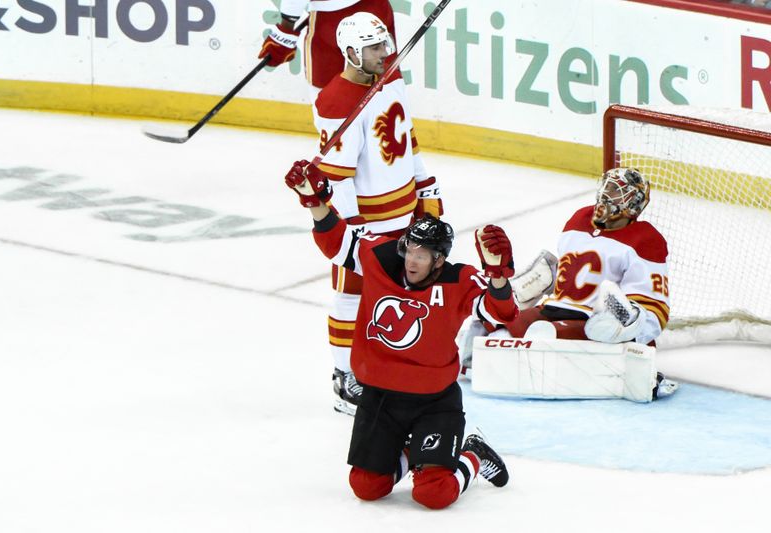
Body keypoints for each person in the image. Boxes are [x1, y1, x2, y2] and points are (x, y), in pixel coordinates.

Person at [283, 159, 516, 509]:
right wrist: (316, 202)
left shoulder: (459, 279)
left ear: (439, 260)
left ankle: (471, 454)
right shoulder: (379, 257)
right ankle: (413, 451)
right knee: (366, 486)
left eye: (422, 255)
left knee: (433, 494)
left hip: (434, 402)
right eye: (410, 249)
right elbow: (337, 241)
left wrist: (498, 277)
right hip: (381, 399)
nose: (411, 260)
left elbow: (501, 313)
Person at [280, 11, 443, 415]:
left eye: (385, 44)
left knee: (403, 290)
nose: (385, 52)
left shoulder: (388, 76)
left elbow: (407, 136)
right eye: (374, 48)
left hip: (405, 208)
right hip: (369, 220)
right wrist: (353, 229)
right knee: (352, 294)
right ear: (351, 53)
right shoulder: (335, 100)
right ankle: (344, 379)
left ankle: (392, 364)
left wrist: (426, 186)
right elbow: (338, 176)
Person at [463, 167, 677, 398]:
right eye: (605, 186)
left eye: (615, 191)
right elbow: (572, 273)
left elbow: (655, 307)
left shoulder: (646, 240)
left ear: (633, 203)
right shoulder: (580, 219)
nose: (605, 194)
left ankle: (628, 371)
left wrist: (628, 333)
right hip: (554, 308)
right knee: (491, 328)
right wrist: (544, 279)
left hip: (591, 321)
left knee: (541, 336)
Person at [258, 0, 396, 102]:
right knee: (386, 89)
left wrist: (285, 31)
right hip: (377, 11)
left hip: (330, 21)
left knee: (327, 98)